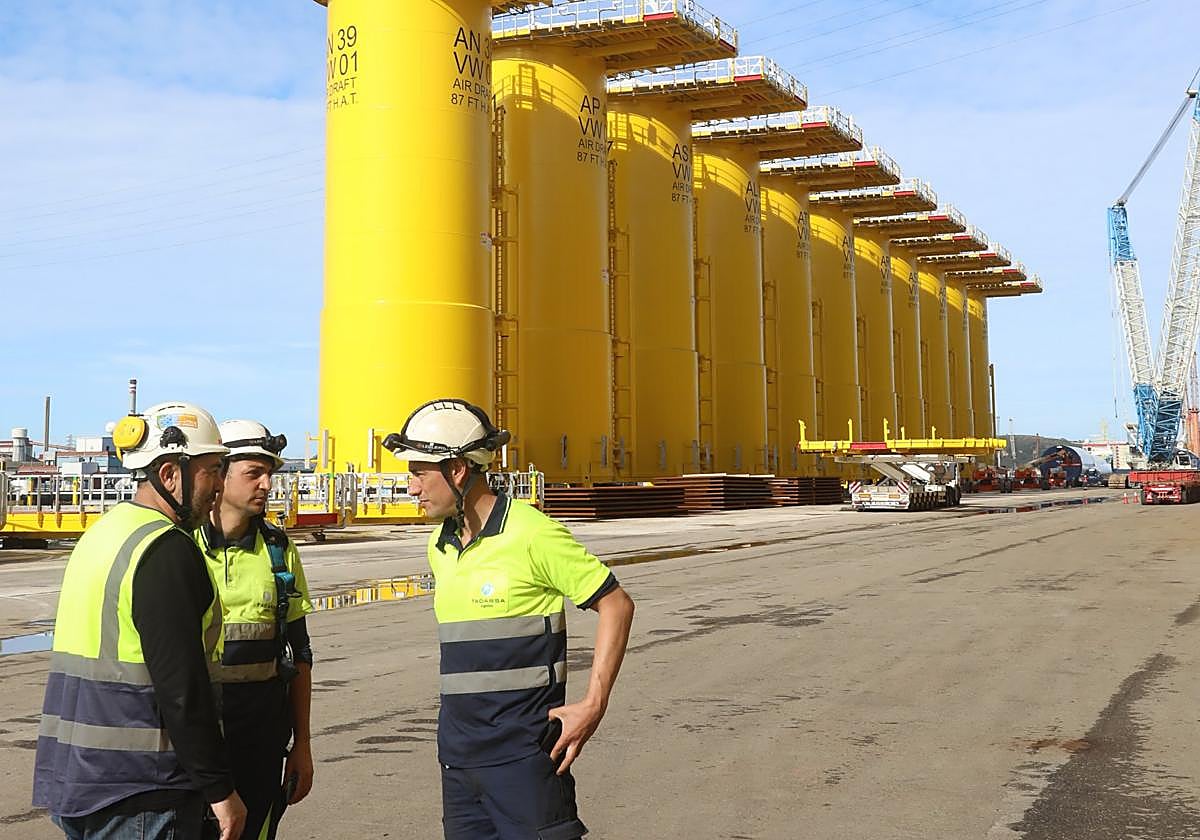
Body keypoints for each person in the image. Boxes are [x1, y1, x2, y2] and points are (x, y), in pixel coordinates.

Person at [384, 399, 636, 840]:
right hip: (458, 764)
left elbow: (616, 604)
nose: (410, 488)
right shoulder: (439, 546)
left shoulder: (532, 533)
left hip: (524, 762)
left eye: (419, 473)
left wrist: (594, 704)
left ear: (458, 469)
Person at [33, 401, 247, 840]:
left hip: (80, 780)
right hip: (143, 790)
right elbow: (181, 686)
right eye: (212, 470)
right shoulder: (165, 548)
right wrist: (219, 788)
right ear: (170, 474)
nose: (219, 485)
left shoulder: (103, 534)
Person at [194, 420, 315, 840]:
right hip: (194, 738)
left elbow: (301, 656)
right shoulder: (180, 546)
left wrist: (302, 746)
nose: (266, 484)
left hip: (261, 740)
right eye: (253, 473)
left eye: (270, 474)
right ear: (219, 474)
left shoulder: (280, 551)